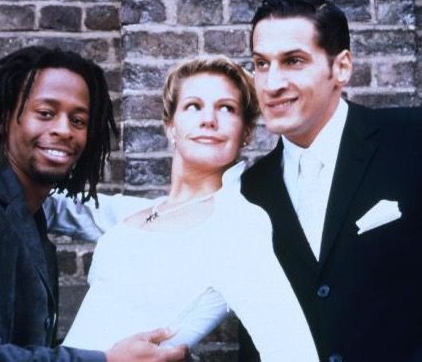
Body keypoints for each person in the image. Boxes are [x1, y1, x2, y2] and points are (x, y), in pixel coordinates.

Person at [45, 56, 318, 360]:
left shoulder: (237, 224)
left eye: (227, 108)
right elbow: (48, 205)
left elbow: (292, 350)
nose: (209, 119)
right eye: (193, 106)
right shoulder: (135, 214)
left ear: (246, 133)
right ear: (170, 127)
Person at [0, 46, 187, 362]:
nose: (64, 130)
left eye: (78, 120)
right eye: (45, 113)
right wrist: (106, 360)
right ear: (4, 120)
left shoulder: (30, 220)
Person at [238, 0, 422, 361]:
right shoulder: (249, 191)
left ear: (341, 67)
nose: (271, 84)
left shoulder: (411, 138)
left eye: (293, 61)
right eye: (261, 63)